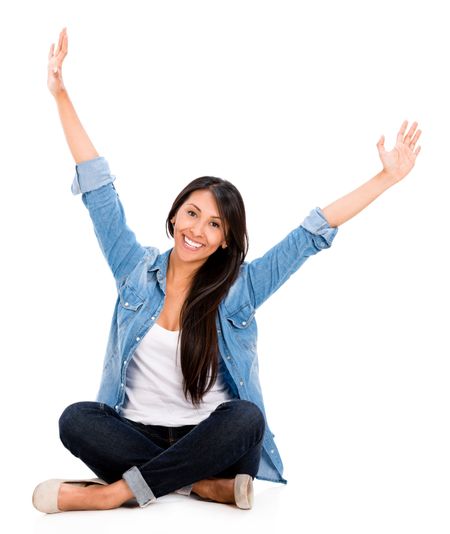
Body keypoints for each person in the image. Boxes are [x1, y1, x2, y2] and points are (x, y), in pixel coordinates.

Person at [32, 28, 422, 514]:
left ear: (225, 240)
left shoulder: (241, 288)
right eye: (192, 213)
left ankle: (117, 492)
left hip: (213, 437)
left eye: (215, 224)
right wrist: (61, 93)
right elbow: (98, 189)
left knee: (246, 418)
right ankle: (200, 486)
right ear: (174, 215)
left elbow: (310, 234)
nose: (198, 229)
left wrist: (386, 178)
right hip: (138, 430)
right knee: (75, 420)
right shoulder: (133, 269)